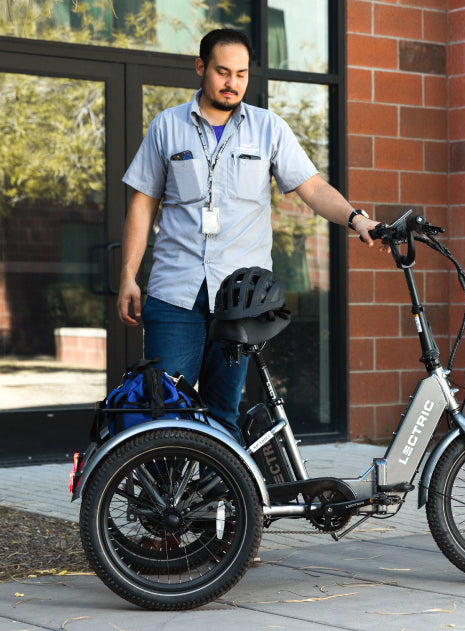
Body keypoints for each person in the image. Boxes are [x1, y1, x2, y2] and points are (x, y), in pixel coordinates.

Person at [118, 28, 379, 443]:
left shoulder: (268, 128)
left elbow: (312, 188)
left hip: (239, 299)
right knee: (165, 409)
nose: (232, 83)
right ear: (201, 68)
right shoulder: (167, 127)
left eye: (241, 74)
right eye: (223, 72)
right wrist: (129, 277)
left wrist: (356, 218)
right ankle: (169, 505)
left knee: (224, 412)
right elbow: (142, 205)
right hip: (174, 294)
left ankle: (218, 505)